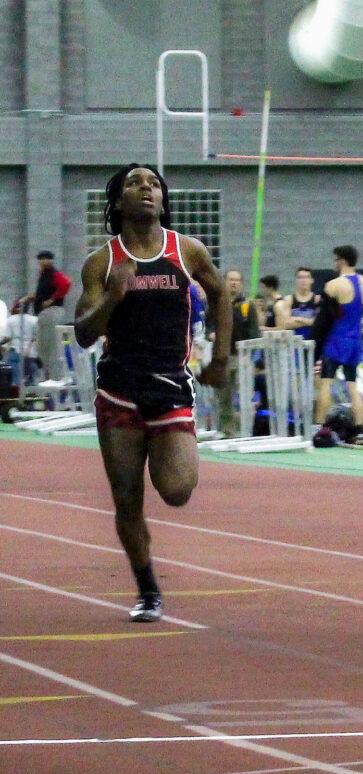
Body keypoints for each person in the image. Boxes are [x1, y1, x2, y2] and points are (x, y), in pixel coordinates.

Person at [73, 163, 231, 621]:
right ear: (118, 202)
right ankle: (148, 589)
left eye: (154, 184)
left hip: (170, 387)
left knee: (177, 490)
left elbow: (221, 294)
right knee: (127, 499)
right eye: (134, 183)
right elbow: (83, 332)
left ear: (163, 200)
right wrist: (112, 296)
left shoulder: (187, 250)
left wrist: (221, 357)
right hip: (119, 392)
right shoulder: (102, 262)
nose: (146, 188)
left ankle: (167, 454)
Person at [313, 245, 363, 431]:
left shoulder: (333, 285)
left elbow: (323, 320)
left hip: (337, 341)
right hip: (355, 341)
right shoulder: (362, 281)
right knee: (352, 386)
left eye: (335, 260)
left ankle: (320, 428)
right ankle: (360, 428)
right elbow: (361, 305)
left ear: (342, 261)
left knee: (326, 383)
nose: (334, 263)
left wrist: (316, 345)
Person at [212, 269, 260, 437]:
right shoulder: (216, 302)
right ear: (224, 282)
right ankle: (227, 430)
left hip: (242, 357)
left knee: (244, 395)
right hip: (221, 357)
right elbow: (207, 325)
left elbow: (254, 332)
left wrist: (251, 356)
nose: (234, 283)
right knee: (223, 396)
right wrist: (210, 334)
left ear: (241, 284)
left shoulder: (248, 306)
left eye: (237, 280)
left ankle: (246, 430)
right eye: (231, 279)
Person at [13, 250, 72, 385]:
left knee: (52, 345)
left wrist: (52, 299)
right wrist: (29, 298)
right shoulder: (43, 276)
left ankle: (58, 377)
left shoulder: (54, 274)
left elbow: (66, 284)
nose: (42, 261)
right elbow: (42, 294)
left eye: (45, 259)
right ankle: (51, 375)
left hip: (52, 312)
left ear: (50, 260)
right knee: (42, 347)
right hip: (43, 314)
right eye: (40, 259)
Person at [273, 266, 321, 339]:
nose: (303, 280)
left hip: (313, 341)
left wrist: (297, 319)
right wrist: (310, 321)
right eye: (300, 277)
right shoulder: (289, 300)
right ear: (296, 280)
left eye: (306, 277)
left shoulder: (317, 299)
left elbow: (319, 323)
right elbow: (286, 324)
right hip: (295, 342)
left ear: (312, 280)